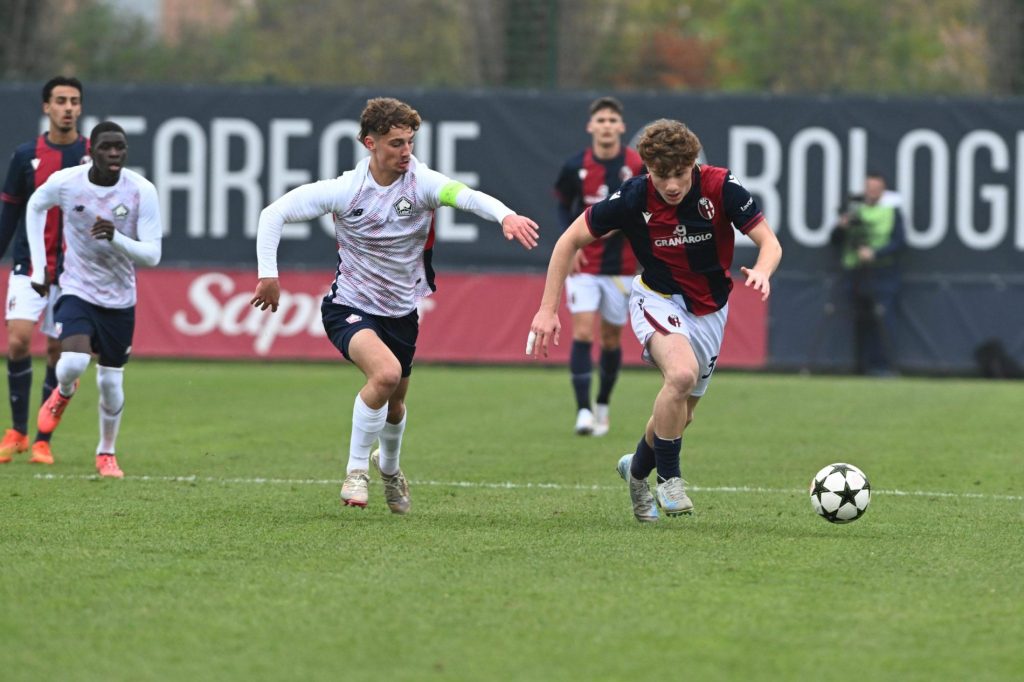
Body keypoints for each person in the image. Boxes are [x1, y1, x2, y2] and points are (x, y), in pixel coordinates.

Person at [251, 97, 539, 515]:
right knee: (384, 376)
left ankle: (389, 470)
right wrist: (268, 274)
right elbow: (273, 213)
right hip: (348, 306)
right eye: (396, 143)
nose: (406, 152)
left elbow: (467, 196)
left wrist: (506, 217)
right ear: (370, 143)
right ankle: (355, 471)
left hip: (402, 312)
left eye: (410, 142)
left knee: (397, 402)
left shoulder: (422, 183)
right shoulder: (345, 190)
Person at [527, 119, 782, 523]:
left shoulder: (720, 186)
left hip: (711, 309)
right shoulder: (633, 197)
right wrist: (546, 309)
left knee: (682, 413)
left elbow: (769, 242)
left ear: (694, 165)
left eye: (680, 174)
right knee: (680, 376)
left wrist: (763, 269)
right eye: (663, 175)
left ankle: (636, 471)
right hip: (657, 298)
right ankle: (670, 478)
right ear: (647, 168)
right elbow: (567, 241)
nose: (673, 185)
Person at [26, 121, 163, 478]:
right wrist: (40, 266)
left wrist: (116, 238)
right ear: (92, 151)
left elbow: (152, 255)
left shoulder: (141, 191)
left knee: (110, 381)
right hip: (77, 288)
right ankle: (64, 391)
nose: (114, 153)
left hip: (120, 299)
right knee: (70, 363)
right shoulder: (68, 183)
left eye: (120, 147)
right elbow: (34, 206)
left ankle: (106, 452)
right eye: (107, 147)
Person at [0, 76, 88, 466]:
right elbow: (10, 211)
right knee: (18, 341)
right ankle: (16, 431)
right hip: (29, 265)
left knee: (58, 351)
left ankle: (42, 439)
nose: (68, 107)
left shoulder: (92, 156)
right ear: (46, 108)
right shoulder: (25, 156)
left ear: (80, 108)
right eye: (60, 101)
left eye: (74, 101)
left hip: (73, 271)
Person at [553, 96, 643, 437]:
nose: (606, 126)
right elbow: (563, 205)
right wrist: (570, 242)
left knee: (610, 338)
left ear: (621, 127)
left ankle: (603, 403)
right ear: (591, 126)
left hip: (621, 267)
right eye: (600, 120)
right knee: (582, 333)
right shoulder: (575, 165)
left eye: (612, 120)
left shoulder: (636, 166)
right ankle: (583, 411)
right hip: (586, 264)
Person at [831, 172, 905, 376]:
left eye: (876, 188)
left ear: (882, 190)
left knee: (883, 319)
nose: (871, 192)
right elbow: (835, 240)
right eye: (869, 188)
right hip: (855, 273)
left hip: (882, 273)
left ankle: (882, 366)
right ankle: (859, 365)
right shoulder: (855, 211)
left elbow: (899, 242)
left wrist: (874, 253)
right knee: (858, 320)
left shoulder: (891, 212)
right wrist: (842, 226)